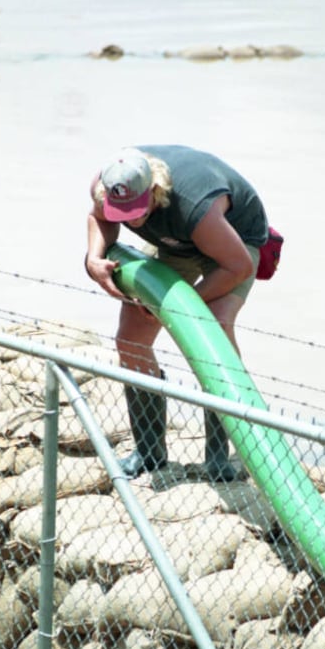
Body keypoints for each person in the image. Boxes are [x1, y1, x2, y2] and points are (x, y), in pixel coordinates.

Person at [84, 144, 269, 481]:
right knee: (131, 339)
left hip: (231, 245)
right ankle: (149, 451)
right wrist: (93, 258)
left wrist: (175, 307)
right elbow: (98, 219)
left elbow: (238, 265)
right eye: (121, 213)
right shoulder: (106, 186)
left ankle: (218, 456)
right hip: (173, 242)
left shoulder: (195, 205)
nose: (129, 221)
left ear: (155, 190)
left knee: (214, 326)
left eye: (136, 211)